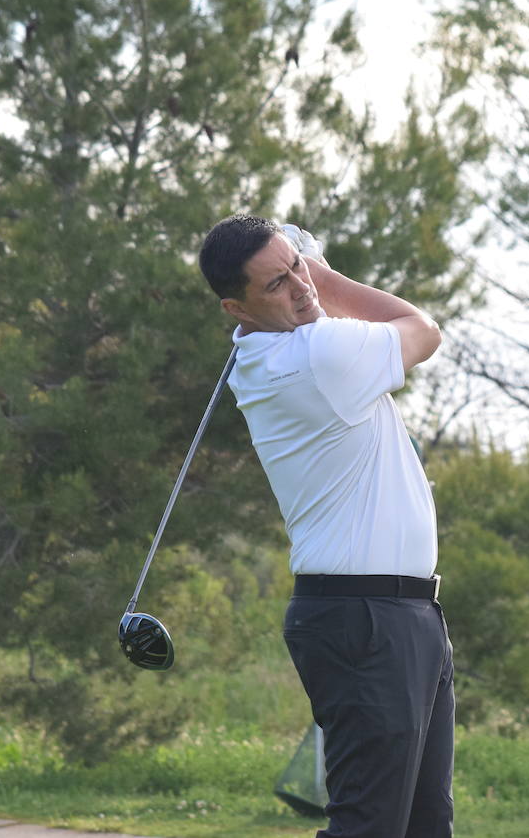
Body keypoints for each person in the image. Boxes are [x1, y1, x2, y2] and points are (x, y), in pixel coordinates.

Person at [198, 214, 453, 837]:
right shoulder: (315, 357)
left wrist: (302, 277)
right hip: (367, 620)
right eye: (278, 284)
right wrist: (328, 273)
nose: (300, 288)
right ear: (237, 307)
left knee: (423, 826)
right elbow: (422, 329)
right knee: (370, 828)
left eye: (296, 268)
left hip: (396, 615)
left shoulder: (284, 350)